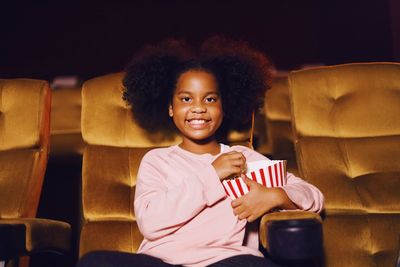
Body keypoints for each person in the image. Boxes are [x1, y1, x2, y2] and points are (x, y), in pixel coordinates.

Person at [77, 37, 324, 267]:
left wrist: (276, 196)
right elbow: (151, 224)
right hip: (162, 263)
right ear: (171, 108)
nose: (198, 109)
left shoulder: (243, 158)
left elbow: (315, 197)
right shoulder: (157, 161)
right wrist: (212, 173)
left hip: (227, 261)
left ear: (223, 108)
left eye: (210, 100)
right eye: (186, 99)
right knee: (95, 261)